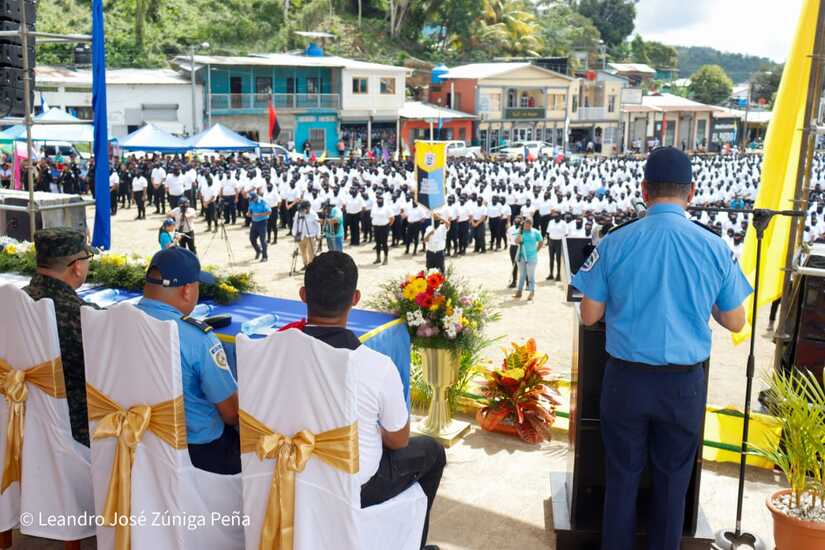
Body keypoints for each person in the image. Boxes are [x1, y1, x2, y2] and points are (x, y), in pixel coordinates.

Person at [572, 147, 752, 550]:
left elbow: (588, 315)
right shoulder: (715, 246)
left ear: (644, 190)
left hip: (626, 381)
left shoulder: (616, 242)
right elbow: (735, 320)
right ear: (691, 193)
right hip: (684, 385)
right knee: (673, 483)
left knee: (622, 476)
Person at [297, 252, 445, 550]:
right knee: (432, 451)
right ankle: (412, 542)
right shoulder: (374, 365)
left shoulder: (271, 353)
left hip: (290, 473)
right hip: (354, 487)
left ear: (303, 295)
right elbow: (398, 441)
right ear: (355, 298)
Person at [137, 248, 240, 475]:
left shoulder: (117, 322)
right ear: (187, 290)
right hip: (199, 453)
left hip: (136, 441)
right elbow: (231, 413)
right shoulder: (197, 338)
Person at [23, 227, 99, 447]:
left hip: (22, 416)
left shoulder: (18, 300)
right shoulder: (84, 316)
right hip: (74, 434)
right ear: (77, 267)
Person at [513, 217, 543, 301]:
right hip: (521, 256)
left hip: (532, 257)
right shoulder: (521, 231)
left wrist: (536, 251)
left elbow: (541, 242)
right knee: (522, 274)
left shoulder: (536, 232)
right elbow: (516, 242)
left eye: (529, 224)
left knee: (531, 275)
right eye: (525, 224)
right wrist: (519, 234)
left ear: (531, 224)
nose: (527, 226)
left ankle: (532, 292)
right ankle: (519, 291)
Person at [293, 200, 320, 270]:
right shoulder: (298, 213)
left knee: (311, 252)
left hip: (311, 235)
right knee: (303, 251)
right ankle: (306, 265)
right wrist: (294, 233)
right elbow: (295, 223)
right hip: (301, 235)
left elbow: (318, 225)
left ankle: (311, 267)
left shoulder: (313, 214)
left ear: (308, 208)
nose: (302, 210)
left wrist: (318, 235)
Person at [370, 194, 394, 265]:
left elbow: (392, 218)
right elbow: (372, 216)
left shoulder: (387, 208)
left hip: (384, 227)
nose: (379, 201)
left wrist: (388, 226)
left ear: (383, 200)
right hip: (376, 227)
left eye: (381, 200)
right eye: (378, 200)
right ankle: (378, 258)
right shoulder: (374, 207)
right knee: (377, 243)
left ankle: (385, 258)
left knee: (384, 243)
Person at [248, 191, 271, 262]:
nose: (251, 201)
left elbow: (269, 212)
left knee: (262, 240)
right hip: (254, 222)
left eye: (252, 199)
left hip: (262, 222)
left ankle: (265, 256)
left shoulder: (263, 201)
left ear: (256, 197)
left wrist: (259, 214)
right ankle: (258, 251)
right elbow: (250, 210)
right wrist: (249, 213)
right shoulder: (251, 201)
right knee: (252, 239)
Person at [546, 212, 567, 281]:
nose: (555, 218)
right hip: (551, 241)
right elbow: (548, 232)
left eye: (557, 216)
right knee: (551, 258)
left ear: (560, 216)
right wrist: (548, 241)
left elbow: (566, 233)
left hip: (559, 242)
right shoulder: (551, 222)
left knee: (558, 259)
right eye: (554, 216)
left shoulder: (563, 223)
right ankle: (551, 274)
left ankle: (558, 274)